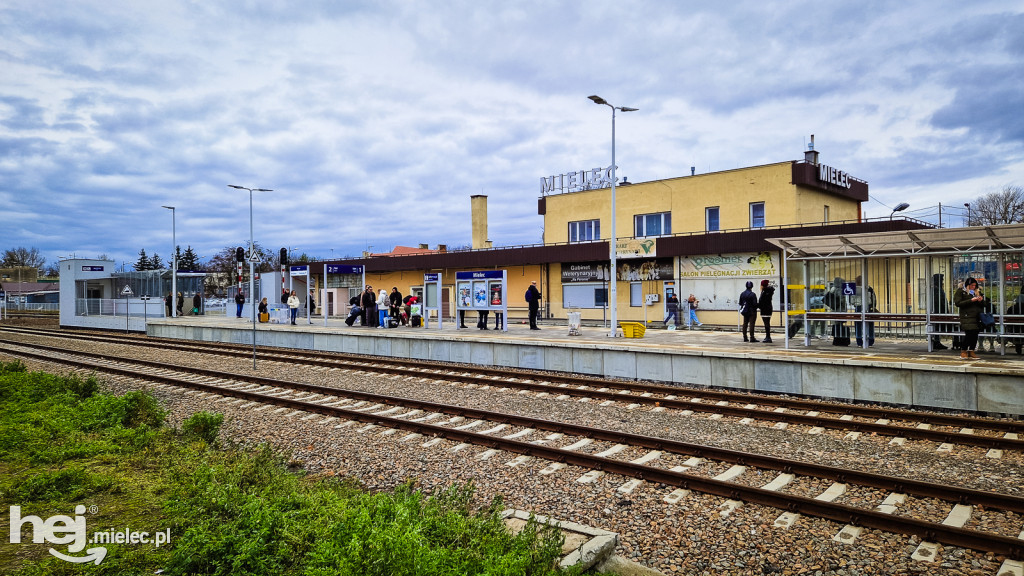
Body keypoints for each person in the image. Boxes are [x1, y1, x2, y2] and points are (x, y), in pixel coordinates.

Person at [953, 277, 984, 359]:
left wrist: (981, 300)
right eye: (972, 285)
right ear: (967, 285)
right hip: (967, 317)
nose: (973, 287)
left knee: (975, 334)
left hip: (976, 317)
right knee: (969, 334)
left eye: (975, 285)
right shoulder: (961, 292)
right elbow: (958, 303)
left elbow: (984, 305)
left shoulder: (977, 292)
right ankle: (963, 351)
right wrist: (971, 300)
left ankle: (971, 351)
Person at [852, 275, 876, 347]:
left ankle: (859, 341)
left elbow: (852, 300)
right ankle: (870, 340)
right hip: (868, 307)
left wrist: (855, 304)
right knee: (870, 324)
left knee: (858, 325)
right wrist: (873, 307)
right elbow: (874, 299)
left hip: (858, 307)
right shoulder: (869, 288)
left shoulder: (854, 289)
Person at [825, 277, 849, 346]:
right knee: (839, 325)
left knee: (836, 325)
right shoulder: (839, 290)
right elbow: (841, 300)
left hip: (834, 309)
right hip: (840, 310)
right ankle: (840, 340)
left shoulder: (832, 289)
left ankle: (836, 340)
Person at [931, 273, 951, 350]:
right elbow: (941, 302)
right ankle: (936, 342)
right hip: (939, 312)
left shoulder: (936, 289)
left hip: (939, 312)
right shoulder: (937, 290)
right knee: (937, 327)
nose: (942, 281)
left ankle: (937, 341)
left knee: (938, 327)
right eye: (941, 280)